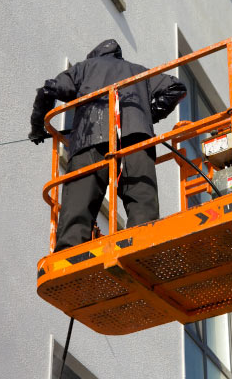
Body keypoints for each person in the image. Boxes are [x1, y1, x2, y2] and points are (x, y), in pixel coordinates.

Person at [29, 39, 186, 252]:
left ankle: (69, 253)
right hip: (135, 137)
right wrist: (146, 116)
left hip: (89, 138)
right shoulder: (138, 71)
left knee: (78, 204)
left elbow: (49, 90)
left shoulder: (84, 68)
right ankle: (142, 245)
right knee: (142, 201)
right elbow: (176, 88)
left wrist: (37, 127)